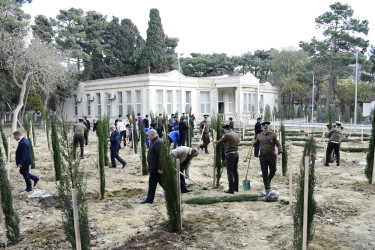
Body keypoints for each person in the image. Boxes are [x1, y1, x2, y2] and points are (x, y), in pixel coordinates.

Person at [252, 121, 282, 195]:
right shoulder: (259, 136)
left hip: (272, 156)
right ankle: (267, 188)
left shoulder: (273, 135)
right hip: (263, 157)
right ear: (262, 128)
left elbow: (279, 145)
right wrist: (253, 143)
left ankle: (268, 182)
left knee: (273, 170)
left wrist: (279, 153)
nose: (266, 129)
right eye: (265, 128)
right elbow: (255, 144)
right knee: (264, 173)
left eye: (267, 128)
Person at [214, 124, 240, 194]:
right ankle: (236, 188)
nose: (224, 132)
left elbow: (218, 143)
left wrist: (214, 141)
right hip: (236, 154)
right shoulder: (235, 134)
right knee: (235, 171)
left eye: (224, 130)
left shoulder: (227, 135)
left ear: (226, 129)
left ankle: (231, 189)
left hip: (230, 154)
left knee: (230, 172)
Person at [140, 129, 163, 204]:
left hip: (156, 168)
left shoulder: (158, 142)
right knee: (154, 184)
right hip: (153, 167)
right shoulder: (154, 141)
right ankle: (149, 199)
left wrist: (160, 168)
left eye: (148, 136)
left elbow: (161, 156)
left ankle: (149, 199)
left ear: (152, 135)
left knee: (157, 183)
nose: (148, 137)